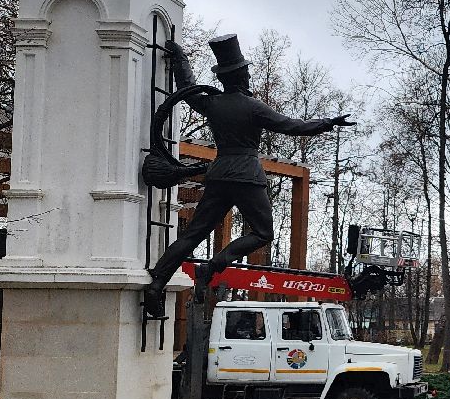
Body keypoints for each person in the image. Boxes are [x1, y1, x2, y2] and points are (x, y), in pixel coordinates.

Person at [143, 35, 354, 318]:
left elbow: (187, 89)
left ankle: (157, 282)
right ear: (241, 75)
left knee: (194, 234)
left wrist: (181, 60)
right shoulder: (252, 107)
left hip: (218, 174)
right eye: (247, 71)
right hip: (247, 176)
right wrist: (327, 123)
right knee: (263, 232)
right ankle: (214, 265)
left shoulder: (212, 103)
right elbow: (292, 126)